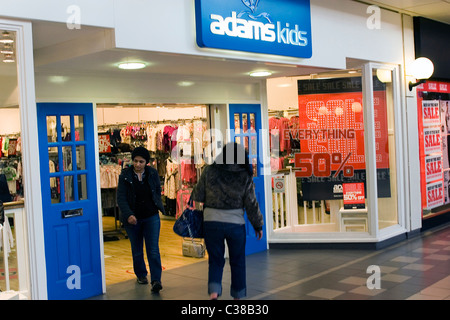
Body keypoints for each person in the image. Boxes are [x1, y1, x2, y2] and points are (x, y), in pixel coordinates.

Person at [191, 142, 264, 300]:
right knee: (237, 261)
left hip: (211, 222)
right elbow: (251, 203)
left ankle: (214, 293)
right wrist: (258, 225)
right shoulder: (244, 175)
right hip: (235, 224)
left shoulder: (209, 170)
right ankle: (237, 297)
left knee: (216, 260)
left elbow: (197, 194)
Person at [117, 146, 165, 293]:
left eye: (141, 162)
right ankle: (141, 275)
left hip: (151, 217)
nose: (138, 164)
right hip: (133, 219)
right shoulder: (125, 175)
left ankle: (156, 279)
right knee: (137, 249)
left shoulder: (153, 173)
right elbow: (121, 198)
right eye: (136, 161)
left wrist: (156, 205)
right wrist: (129, 214)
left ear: (146, 163)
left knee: (153, 250)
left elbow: (157, 190)